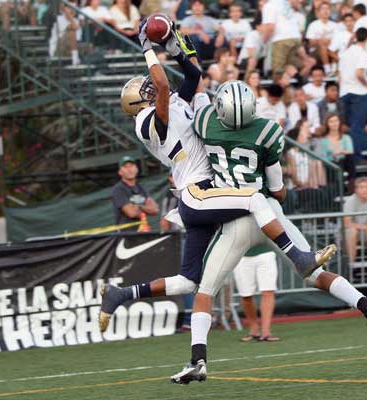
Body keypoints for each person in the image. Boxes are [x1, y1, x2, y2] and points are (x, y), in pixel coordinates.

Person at [102, 27, 334, 332]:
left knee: (188, 281)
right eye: (145, 92)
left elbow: (193, 78)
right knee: (254, 198)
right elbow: (160, 83)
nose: (154, 89)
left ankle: (121, 294)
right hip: (197, 191)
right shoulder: (146, 122)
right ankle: (299, 257)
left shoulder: (171, 106)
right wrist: (146, 45)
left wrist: (177, 48)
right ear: (137, 105)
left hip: (206, 193)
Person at [171, 81, 367, 385]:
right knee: (315, 273)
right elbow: (277, 191)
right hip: (268, 213)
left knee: (204, 292)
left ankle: (198, 360)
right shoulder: (268, 131)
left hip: (234, 218)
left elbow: (193, 121)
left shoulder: (205, 120)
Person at [339, 27, 367, 162]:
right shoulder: (362, 53)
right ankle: (357, 156)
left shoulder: (346, 53)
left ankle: (351, 155)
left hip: (345, 91)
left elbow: (340, 75)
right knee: (357, 127)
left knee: (351, 126)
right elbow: (359, 73)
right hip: (358, 92)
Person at [233, 247, 280, 342]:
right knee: (246, 295)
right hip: (240, 255)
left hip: (266, 252)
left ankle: (266, 332)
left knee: (268, 291)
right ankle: (254, 329)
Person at [262, 0, 304, 79]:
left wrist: (264, 40)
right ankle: (300, 79)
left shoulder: (269, 6)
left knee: (278, 70)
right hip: (295, 37)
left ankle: (278, 89)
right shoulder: (285, 3)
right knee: (286, 64)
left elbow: (270, 27)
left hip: (282, 39)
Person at [111, 156, 159, 226]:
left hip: (143, 231)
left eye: (131, 166)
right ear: (120, 172)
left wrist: (138, 207)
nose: (129, 169)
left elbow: (155, 210)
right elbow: (132, 213)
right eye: (126, 167)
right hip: (127, 233)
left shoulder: (141, 188)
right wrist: (145, 207)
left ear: (136, 169)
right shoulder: (118, 189)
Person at [319, 113, 355, 189]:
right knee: (333, 165)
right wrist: (334, 156)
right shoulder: (323, 140)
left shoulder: (346, 137)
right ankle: (339, 187)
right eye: (331, 121)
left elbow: (350, 151)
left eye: (336, 121)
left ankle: (351, 183)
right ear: (327, 124)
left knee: (350, 158)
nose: (334, 123)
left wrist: (339, 152)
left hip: (344, 162)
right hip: (331, 163)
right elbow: (323, 157)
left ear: (339, 122)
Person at [306, 2, 338, 76]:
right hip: (316, 51)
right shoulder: (313, 25)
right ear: (318, 12)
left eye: (327, 9)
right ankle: (327, 70)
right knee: (322, 44)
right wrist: (321, 41)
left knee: (335, 46)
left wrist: (328, 42)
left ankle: (333, 69)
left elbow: (338, 41)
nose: (325, 11)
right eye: (323, 9)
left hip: (331, 50)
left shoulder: (335, 25)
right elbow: (310, 42)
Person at [48, 0, 81, 65]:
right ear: (65, 10)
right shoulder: (59, 19)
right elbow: (73, 28)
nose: (71, 11)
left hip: (70, 49)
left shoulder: (76, 21)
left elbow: (78, 38)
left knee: (89, 46)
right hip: (57, 50)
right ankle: (75, 61)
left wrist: (71, 18)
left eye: (73, 9)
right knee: (71, 32)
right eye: (69, 8)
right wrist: (70, 17)